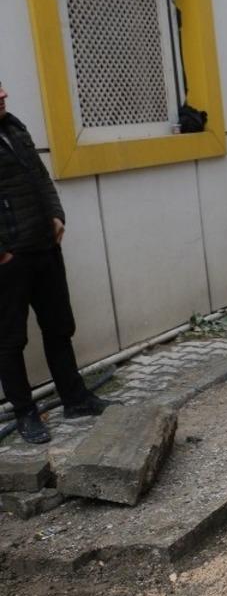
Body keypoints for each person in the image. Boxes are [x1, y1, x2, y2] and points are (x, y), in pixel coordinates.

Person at [0, 81, 112, 444]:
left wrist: (56, 214)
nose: (4, 95)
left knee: (59, 325)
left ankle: (75, 398)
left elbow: (40, 177)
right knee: (10, 340)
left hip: (44, 247)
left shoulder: (14, 127)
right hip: (9, 260)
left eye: (2, 88)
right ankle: (25, 413)